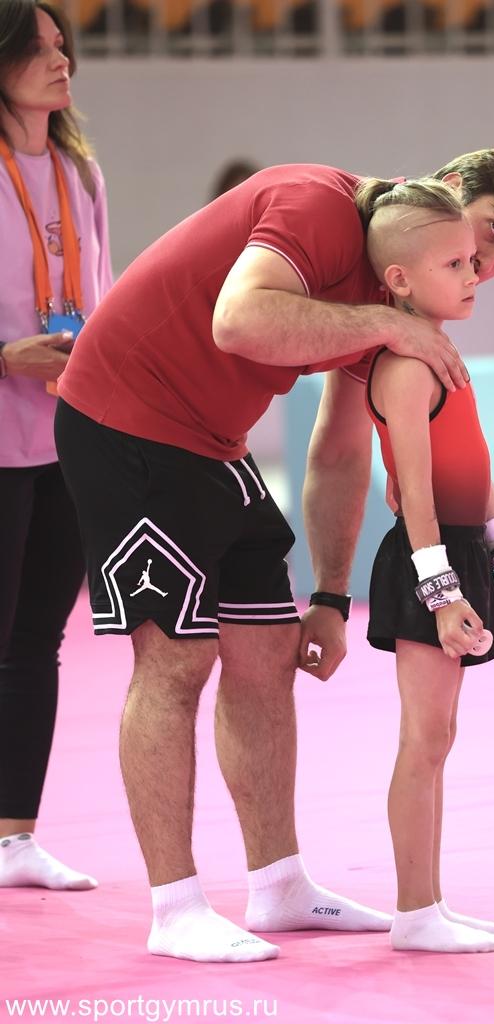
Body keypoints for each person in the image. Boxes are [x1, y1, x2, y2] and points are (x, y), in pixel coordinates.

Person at [54, 151, 494, 962]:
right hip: (127, 421)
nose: (484, 265)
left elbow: (338, 449)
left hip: (214, 444)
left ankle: (278, 885)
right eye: (488, 233)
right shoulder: (317, 204)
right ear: (448, 192)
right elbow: (238, 320)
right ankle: (174, 906)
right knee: (175, 662)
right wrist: (386, 326)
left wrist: (328, 593)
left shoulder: (391, 296)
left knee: (266, 653)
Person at [361, 177, 494, 953]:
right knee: (422, 738)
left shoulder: (440, 355)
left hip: (460, 551)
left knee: (438, 738)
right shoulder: (406, 367)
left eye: (474, 263)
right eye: (455, 265)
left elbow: (472, 464)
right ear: (400, 280)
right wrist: (439, 593)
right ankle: (414, 912)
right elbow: (413, 491)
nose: (474, 276)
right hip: (426, 560)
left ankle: (431, 903)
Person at [0, 0, 112, 889]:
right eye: (39, 48)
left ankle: (14, 837)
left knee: (39, 637)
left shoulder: (80, 172)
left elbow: (102, 296)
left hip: (65, 437)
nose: (61, 58)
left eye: (62, 44)